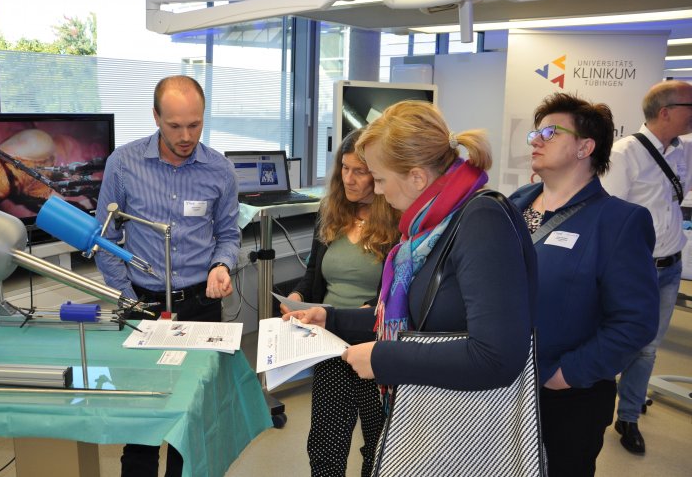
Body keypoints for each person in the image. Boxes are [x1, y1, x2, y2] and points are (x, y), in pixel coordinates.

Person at [284, 100, 537, 465]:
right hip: (438, 415)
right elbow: (424, 319)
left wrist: (383, 355)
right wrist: (332, 318)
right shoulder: (432, 227)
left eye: (382, 179)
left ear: (417, 177)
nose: (380, 191)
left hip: (468, 432)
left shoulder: (482, 221)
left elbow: (495, 356)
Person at [95, 75, 240, 477]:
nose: (186, 135)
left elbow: (228, 234)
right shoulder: (123, 164)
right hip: (143, 302)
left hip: (201, 305)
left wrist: (221, 266)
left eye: (195, 124)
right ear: (155, 116)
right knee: (141, 419)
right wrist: (128, 298)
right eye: (175, 125)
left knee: (192, 421)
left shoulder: (220, 170)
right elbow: (105, 238)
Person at [508, 92, 660, 476]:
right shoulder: (512, 206)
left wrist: (568, 375)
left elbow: (635, 322)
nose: (536, 140)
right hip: (500, 383)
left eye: (550, 132)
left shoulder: (619, 221)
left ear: (585, 147)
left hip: (565, 398)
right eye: (535, 133)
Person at [279, 130, 400, 477]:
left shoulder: (396, 220)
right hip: (328, 339)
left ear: (377, 173)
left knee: (377, 443)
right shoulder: (330, 211)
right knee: (326, 443)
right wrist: (299, 298)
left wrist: (363, 311)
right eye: (344, 168)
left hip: (373, 342)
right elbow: (314, 273)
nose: (349, 178)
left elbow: (393, 292)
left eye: (359, 171)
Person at [600, 79, 692, 455]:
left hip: (670, 266)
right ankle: (598, 406)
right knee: (618, 342)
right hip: (634, 270)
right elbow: (606, 216)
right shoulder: (624, 154)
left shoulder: (683, 152)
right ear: (665, 111)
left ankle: (629, 415)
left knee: (649, 349)